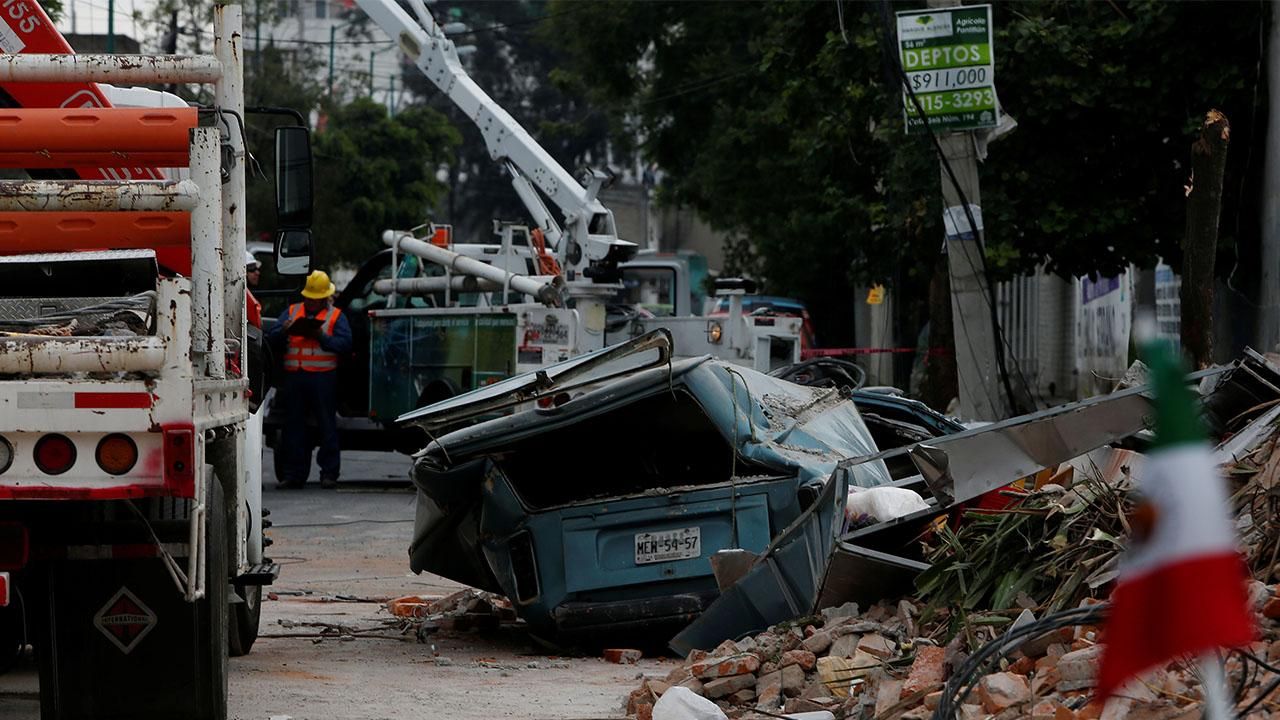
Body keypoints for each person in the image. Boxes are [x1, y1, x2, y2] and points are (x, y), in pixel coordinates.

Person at [267, 270, 352, 489]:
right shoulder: (292, 312)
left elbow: (344, 345)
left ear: (325, 297)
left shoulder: (336, 316)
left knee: (327, 426)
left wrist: (321, 337)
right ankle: (293, 475)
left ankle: (329, 474)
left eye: (316, 299)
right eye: (309, 298)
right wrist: (284, 332)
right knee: (293, 428)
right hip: (295, 378)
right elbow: (272, 338)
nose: (311, 303)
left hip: (323, 379)